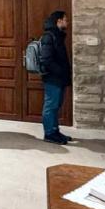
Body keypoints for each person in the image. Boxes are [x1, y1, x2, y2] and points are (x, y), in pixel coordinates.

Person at [40, 10, 72, 144]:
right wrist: (60, 71)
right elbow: (46, 59)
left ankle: (55, 130)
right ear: (59, 21)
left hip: (59, 78)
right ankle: (49, 133)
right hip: (53, 78)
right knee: (51, 105)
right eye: (65, 19)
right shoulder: (49, 36)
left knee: (56, 105)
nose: (67, 22)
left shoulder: (58, 35)